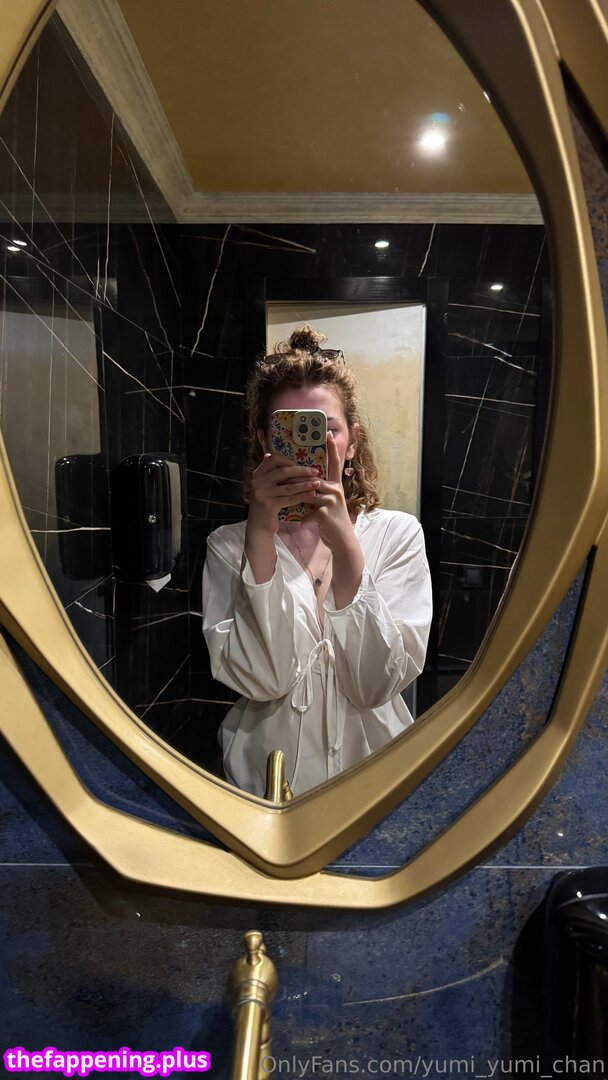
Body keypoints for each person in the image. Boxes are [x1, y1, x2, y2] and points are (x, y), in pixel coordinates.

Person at [202, 325, 433, 797]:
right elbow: (264, 681)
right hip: (267, 781)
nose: (313, 444)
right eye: (290, 431)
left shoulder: (397, 535)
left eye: (328, 429)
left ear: (353, 440)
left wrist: (346, 547)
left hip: (376, 778)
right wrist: (260, 536)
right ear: (265, 441)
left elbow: (375, 686)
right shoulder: (228, 546)